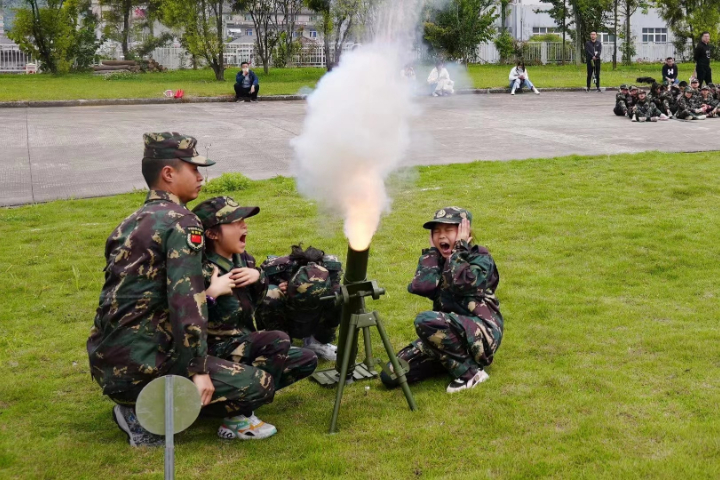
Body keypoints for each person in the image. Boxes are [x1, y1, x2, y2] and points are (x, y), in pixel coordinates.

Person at [87, 133, 275, 447]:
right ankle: (141, 413)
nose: (201, 177)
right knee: (259, 384)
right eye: (193, 168)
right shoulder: (182, 223)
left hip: (107, 358)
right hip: (144, 364)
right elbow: (186, 300)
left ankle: (138, 400)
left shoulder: (129, 222)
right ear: (169, 174)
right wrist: (197, 370)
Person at [191, 196, 318, 440]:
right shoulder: (199, 270)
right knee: (277, 341)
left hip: (242, 344)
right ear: (213, 234)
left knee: (306, 360)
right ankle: (237, 417)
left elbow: (254, 304)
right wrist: (211, 295)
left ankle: (231, 399)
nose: (244, 226)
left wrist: (258, 276)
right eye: (235, 222)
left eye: (244, 220)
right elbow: (184, 321)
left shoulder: (243, 260)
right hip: (213, 354)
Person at [380, 207, 504, 394]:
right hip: (447, 335)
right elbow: (423, 287)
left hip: (482, 335)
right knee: (391, 373)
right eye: (436, 231)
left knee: (425, 320)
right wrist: (431, 252)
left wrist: (459, 249)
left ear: (464, 232)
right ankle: (450, 360)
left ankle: (471, 373)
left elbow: (462, 283)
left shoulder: (480, 257)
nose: (441, 236)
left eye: (448, 230)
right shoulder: (437, 259)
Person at [256, 245, 343, 361]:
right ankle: (282, 343)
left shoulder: (331, 268)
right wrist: (281, 286)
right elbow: (256, 290)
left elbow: (336, 287)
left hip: (318, 308)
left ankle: (318, 341)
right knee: (271, 294)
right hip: (289, 309)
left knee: (341, 297)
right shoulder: (277, 268)